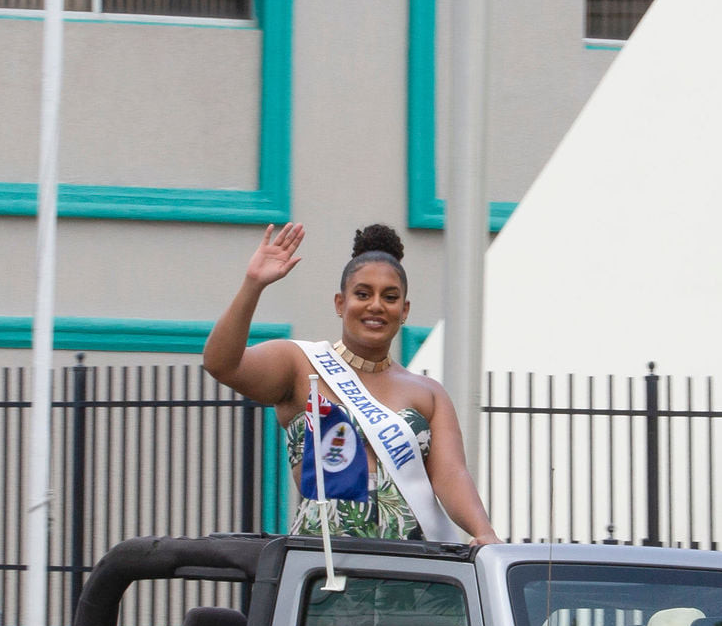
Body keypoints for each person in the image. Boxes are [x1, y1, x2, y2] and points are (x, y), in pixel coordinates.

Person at [202, 222, 499, 545]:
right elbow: (221, 364)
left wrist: (483, 532)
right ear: (340, 303)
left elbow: (450, 474)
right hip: (326, 561)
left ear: (404, 310)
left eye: (390, 297)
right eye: (362, 294)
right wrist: (253, 284)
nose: (376, 305)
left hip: (413, 564)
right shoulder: (300, 364)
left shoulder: (428, 392)